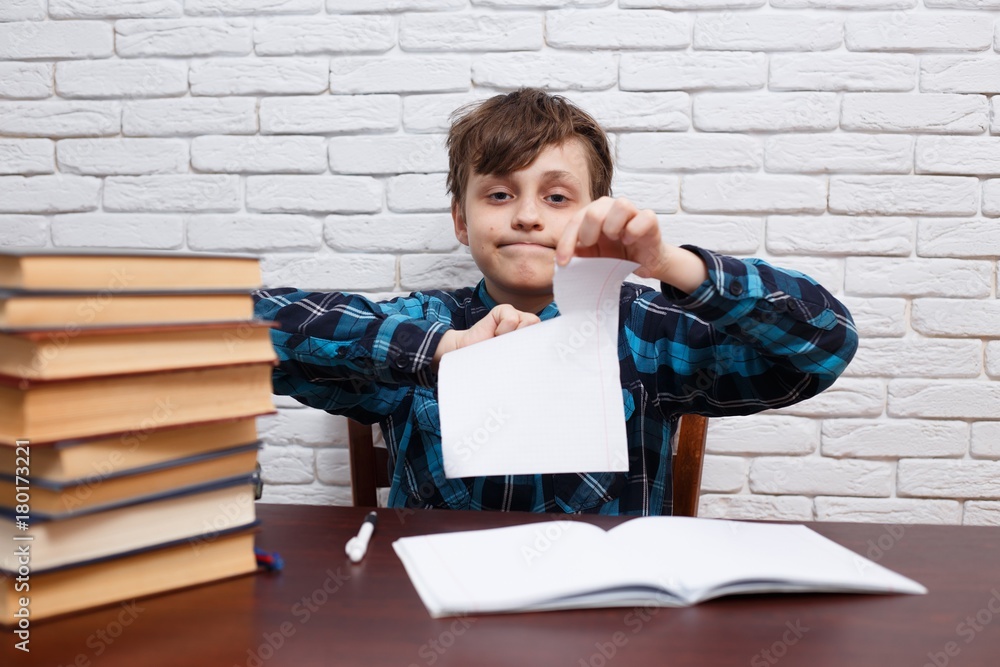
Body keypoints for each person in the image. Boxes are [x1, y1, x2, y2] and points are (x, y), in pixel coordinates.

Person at [252, 88, 858, 516]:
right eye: (498, 193)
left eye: (558, 197)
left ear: (596, 212)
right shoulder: (424, 324)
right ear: (461, 220)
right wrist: (441, 350)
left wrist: (669, 263)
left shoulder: (650, 335)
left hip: (609, 618)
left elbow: (823, 345)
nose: (526, 215)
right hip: (442, 614)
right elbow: (237, 329)